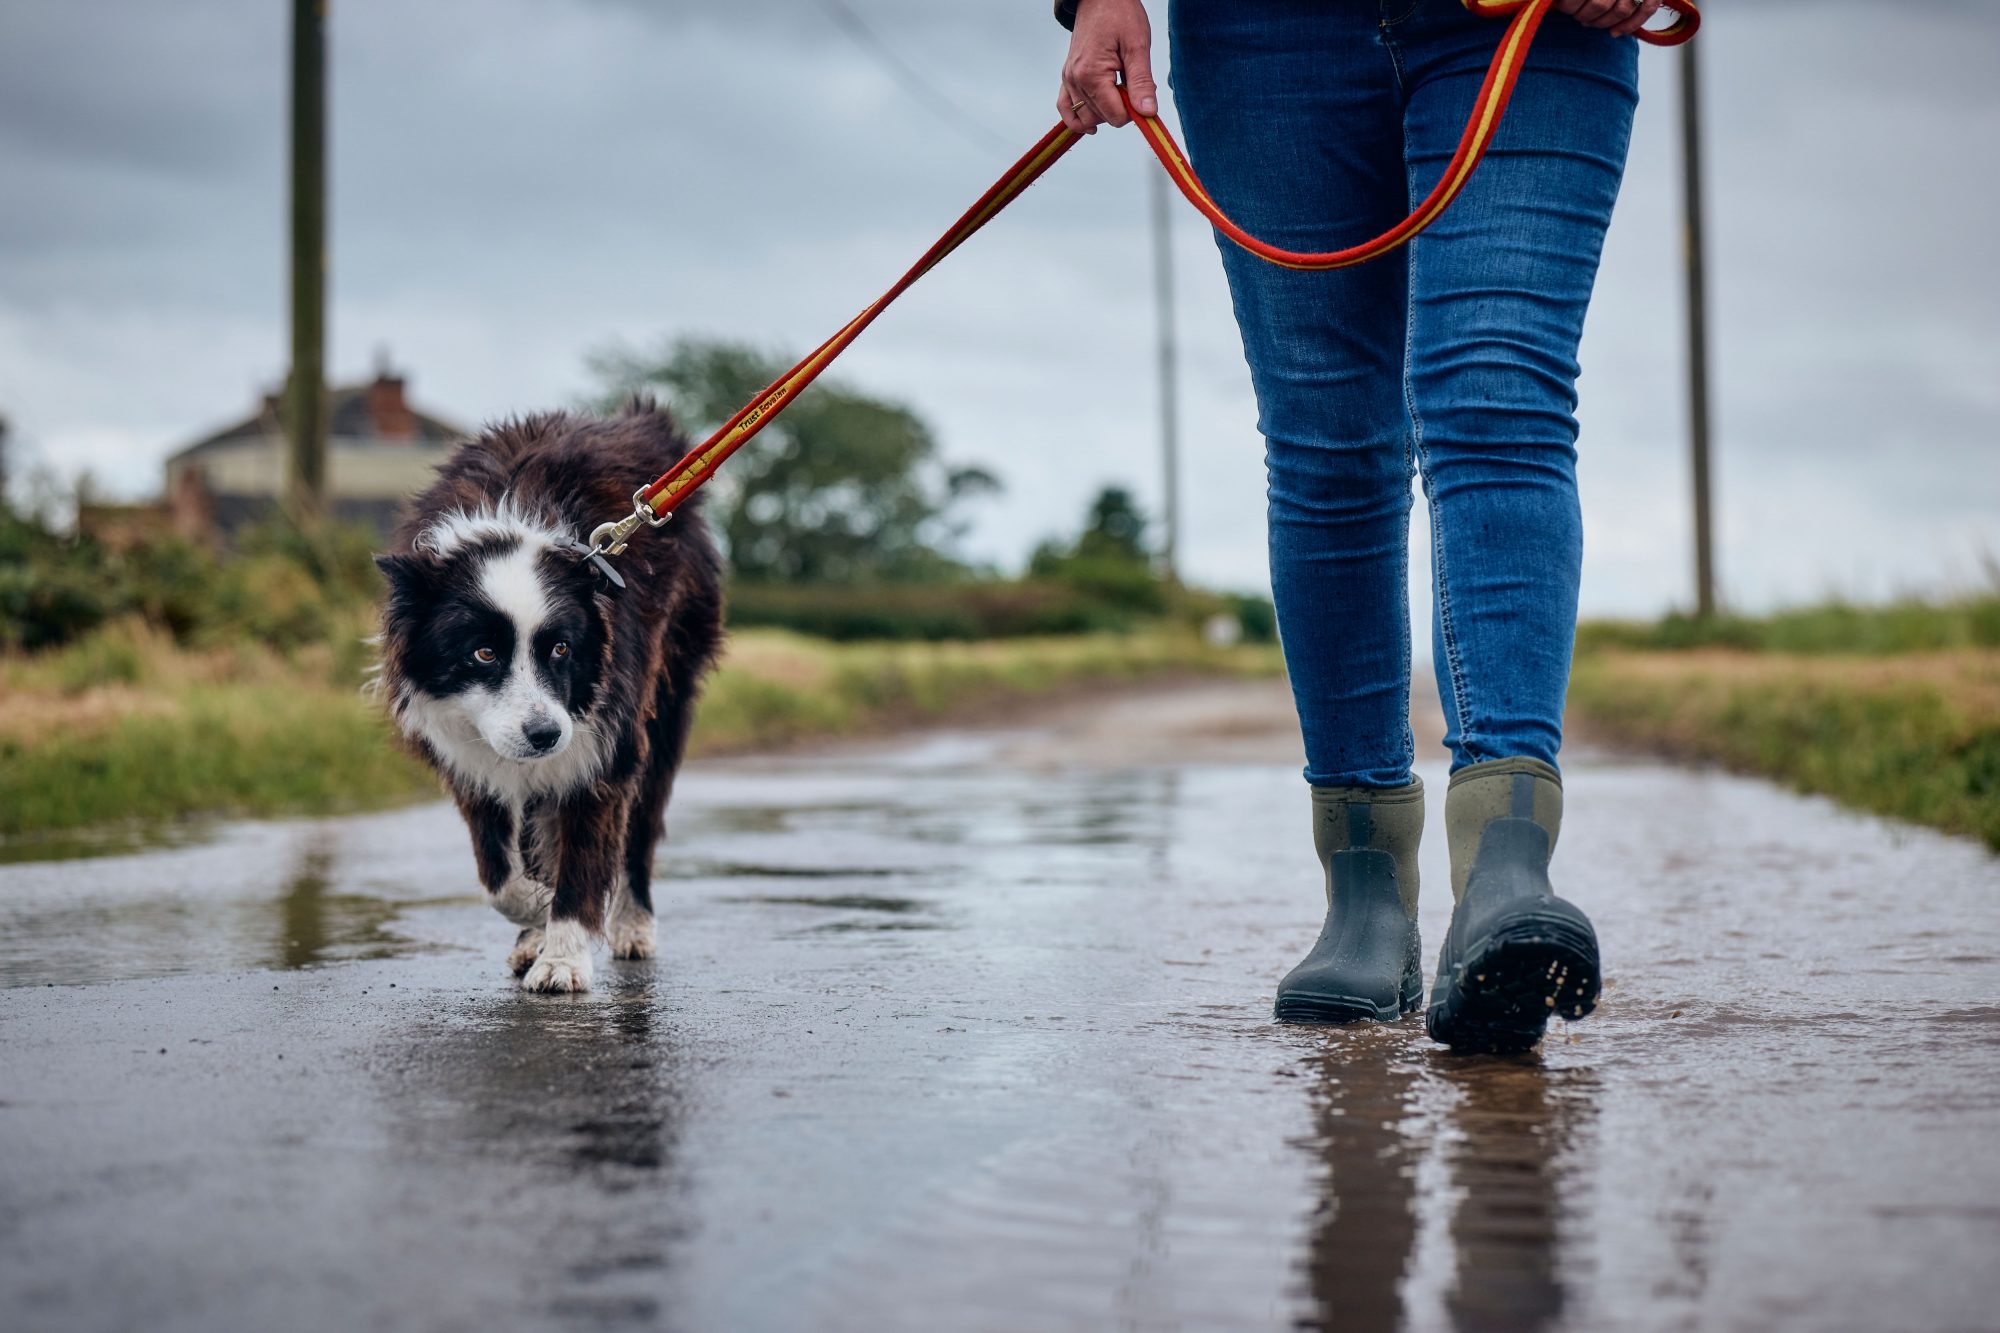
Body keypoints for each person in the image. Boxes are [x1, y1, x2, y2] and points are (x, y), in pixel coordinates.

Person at [1055, 0, 1666, 1051]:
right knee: (1325, 440)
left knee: (1495, 393)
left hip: (1526, 21)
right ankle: (1363, 892)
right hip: (1265, 33)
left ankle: (1503, 868)